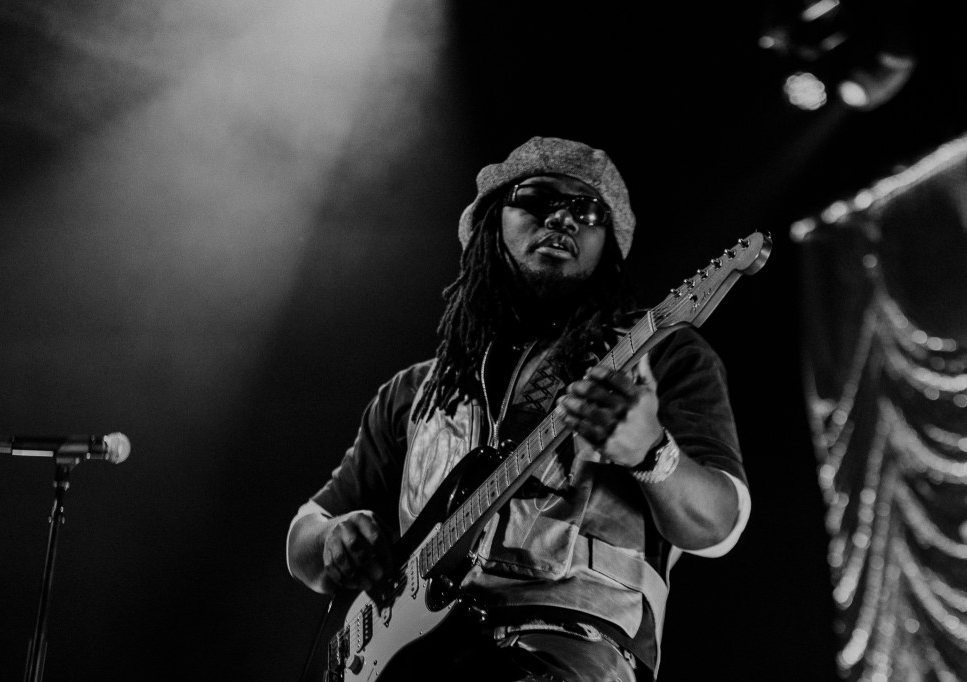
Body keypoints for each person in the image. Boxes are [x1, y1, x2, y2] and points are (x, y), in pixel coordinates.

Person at [286, 136, 750, 682]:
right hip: (412, 659)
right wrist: (333, 537)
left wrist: (653, 454)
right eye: (536, 198)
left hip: (572, 648)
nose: (564, 219)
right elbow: (305, 536)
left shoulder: (660, 355)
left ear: (610, 245)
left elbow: (719, 526)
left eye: (588, 211)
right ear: (489, 224)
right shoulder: (414, 393)